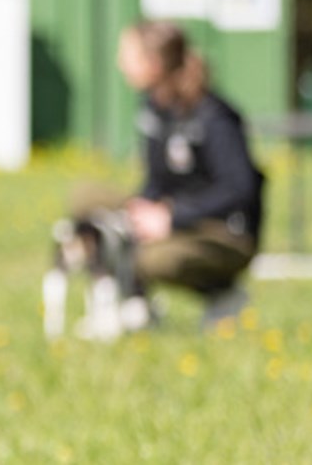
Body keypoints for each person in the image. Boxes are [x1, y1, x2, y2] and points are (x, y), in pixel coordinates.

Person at [112, 20, 265, 329]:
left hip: (224, 233)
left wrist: (172, 216)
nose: (120, 63)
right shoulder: (155, 111)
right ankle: (133, 305)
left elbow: (239, 188)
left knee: (150, 259)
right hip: (178, 220)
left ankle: (223, 294)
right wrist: (143, 208)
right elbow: (158, 179)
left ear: (153, 64)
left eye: (128, 55)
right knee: (95, 209)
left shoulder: (214, 117)